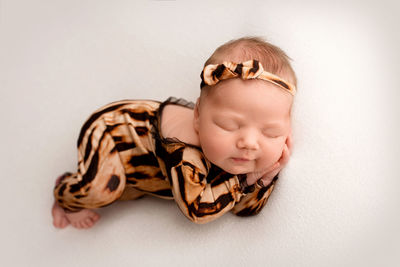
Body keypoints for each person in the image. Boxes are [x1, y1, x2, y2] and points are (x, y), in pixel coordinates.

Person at [51, 36, 297, 229]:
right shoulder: (184, 153)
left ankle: (124, 182)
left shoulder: (227, 151)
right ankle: (66, 195)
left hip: (143, 162)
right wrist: (243, 180)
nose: (249, 143)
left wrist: (263, 177)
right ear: (198, 116)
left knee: (128, 191)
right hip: (112, 135)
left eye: (271, 132)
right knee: (103, 190)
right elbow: (199, 210)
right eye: (229, 125)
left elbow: (241, 210)